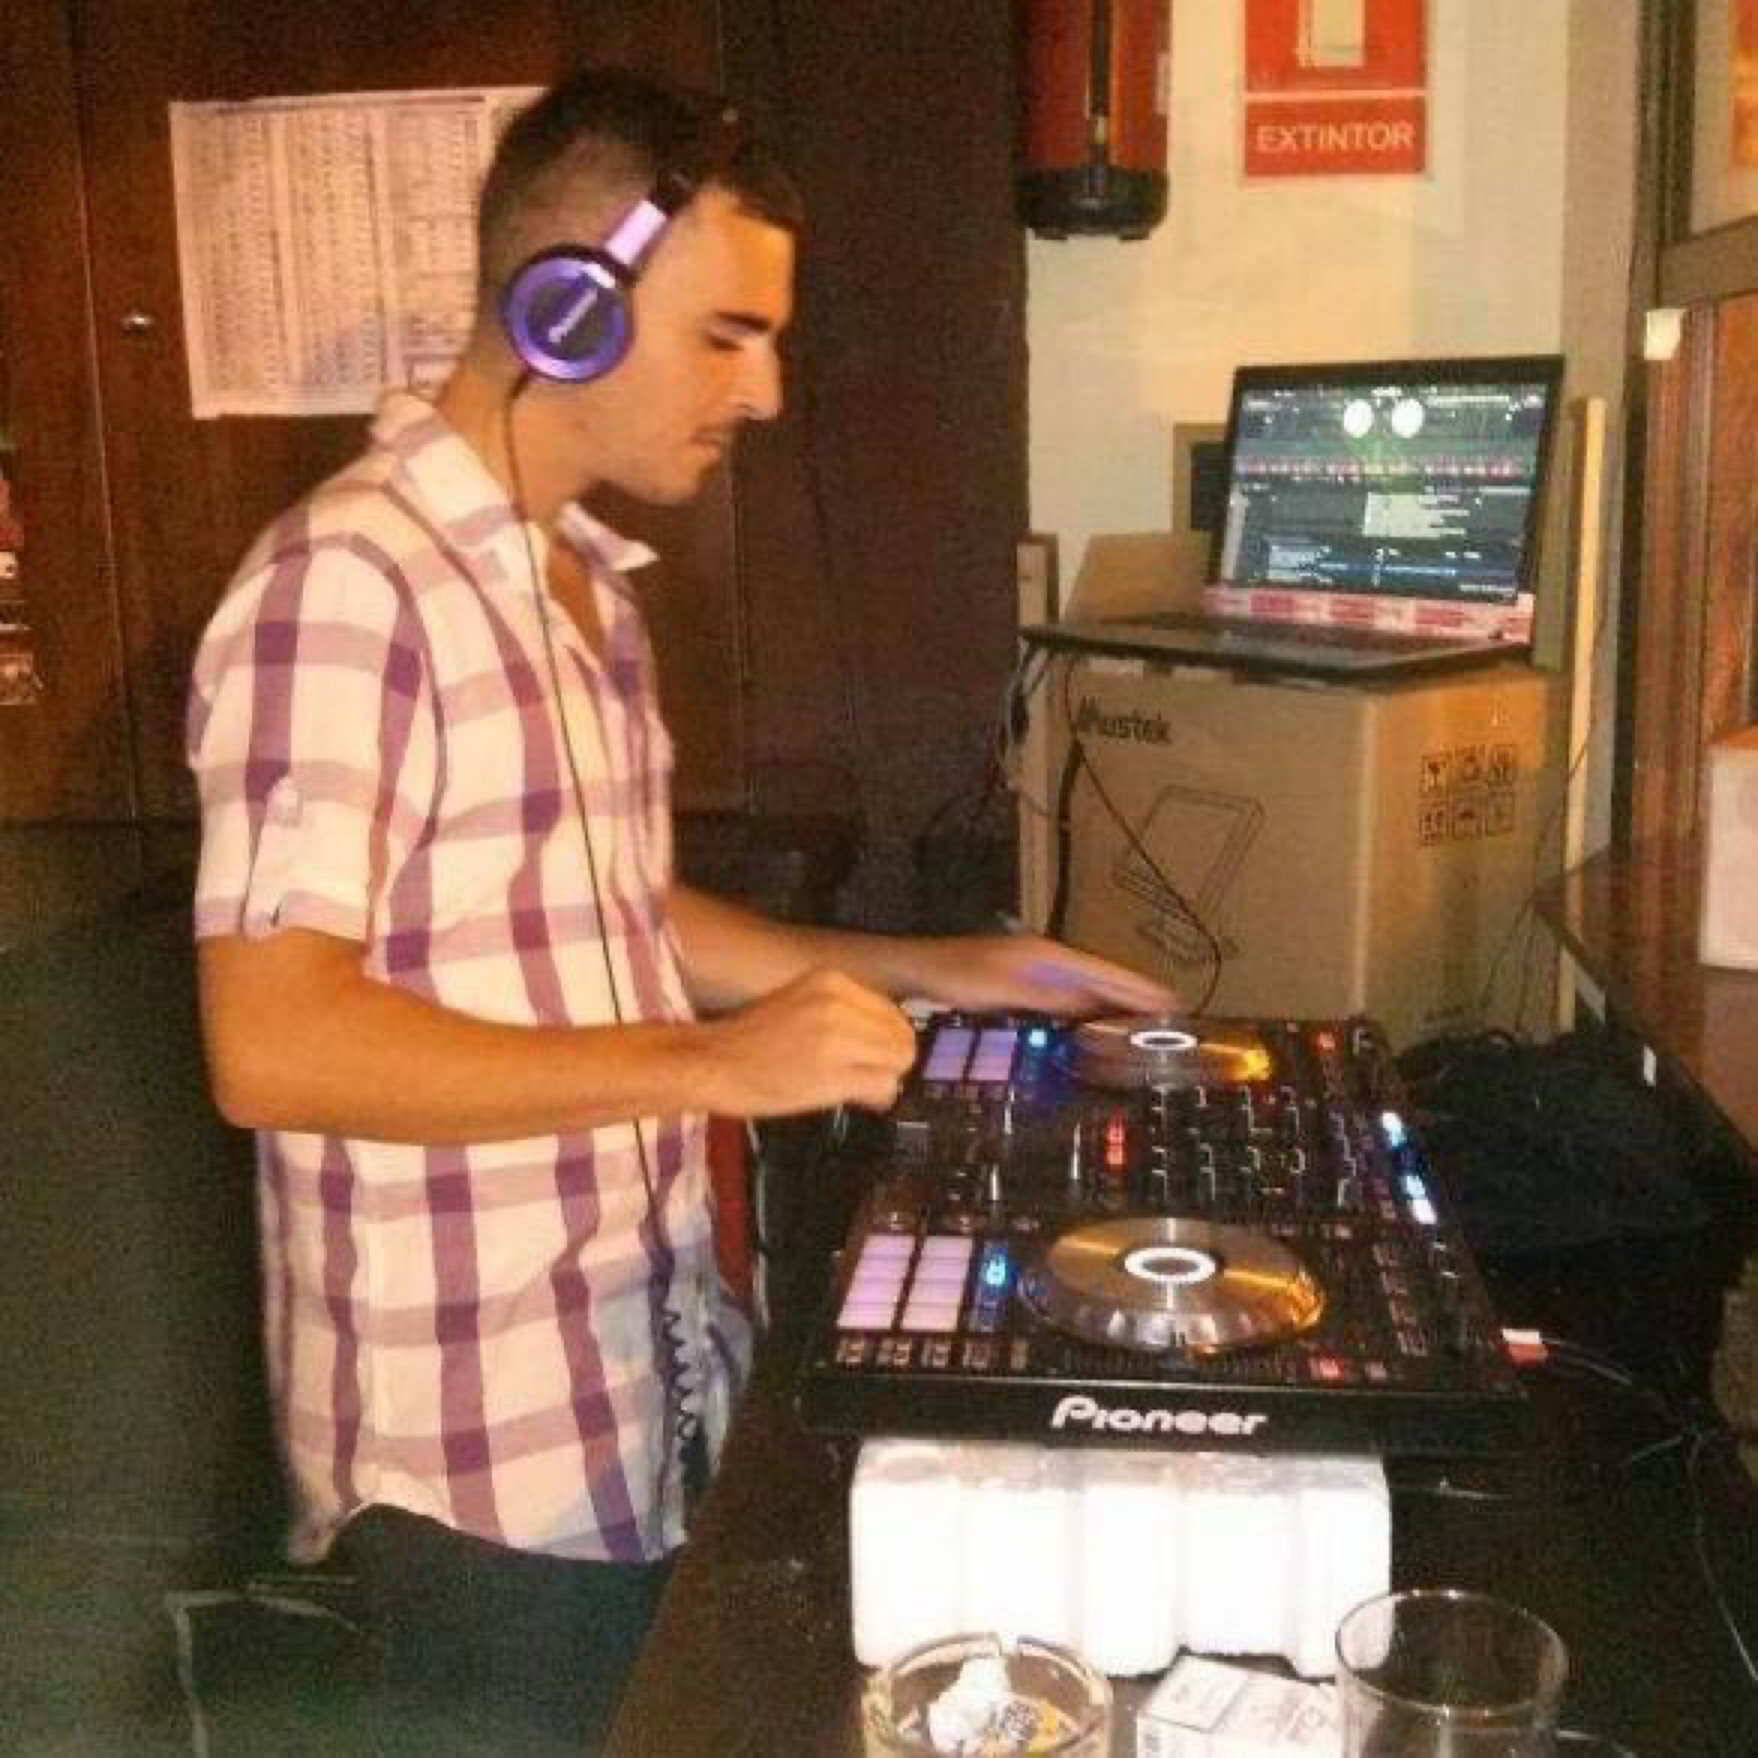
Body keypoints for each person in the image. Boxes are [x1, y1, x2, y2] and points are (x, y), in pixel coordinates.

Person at [187, 66, 1172, 1754]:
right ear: (565, 308)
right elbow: (272, 1039)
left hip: (640, 1385)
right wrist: (712, 1066)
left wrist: (939, 967)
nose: (764, 390)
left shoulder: (577, 583)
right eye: (726, 335)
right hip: (469, 1473)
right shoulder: (346, 589)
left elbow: (609, 906)